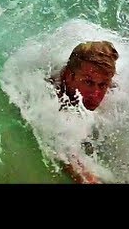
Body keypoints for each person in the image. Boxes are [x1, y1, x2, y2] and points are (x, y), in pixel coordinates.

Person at [50, 40, 119, 184]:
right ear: (69, 76)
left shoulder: (113, 90)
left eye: (102, 85)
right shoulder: (51, 96)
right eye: (88, 82)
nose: (95, 94)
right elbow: (63, 150)